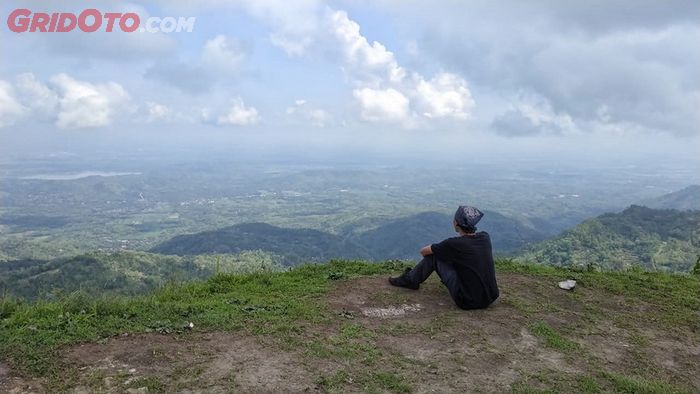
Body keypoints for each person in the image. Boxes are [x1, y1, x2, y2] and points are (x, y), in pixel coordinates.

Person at [388, 205, 499, 310]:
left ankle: (410, 280)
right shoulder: (485, 237)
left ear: (456, 223)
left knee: (434, 256)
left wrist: (442, 253)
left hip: (467, 301)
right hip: (490, 297)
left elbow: (424, 251)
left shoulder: (453, 244)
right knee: (455, 258)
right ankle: (411, 278)